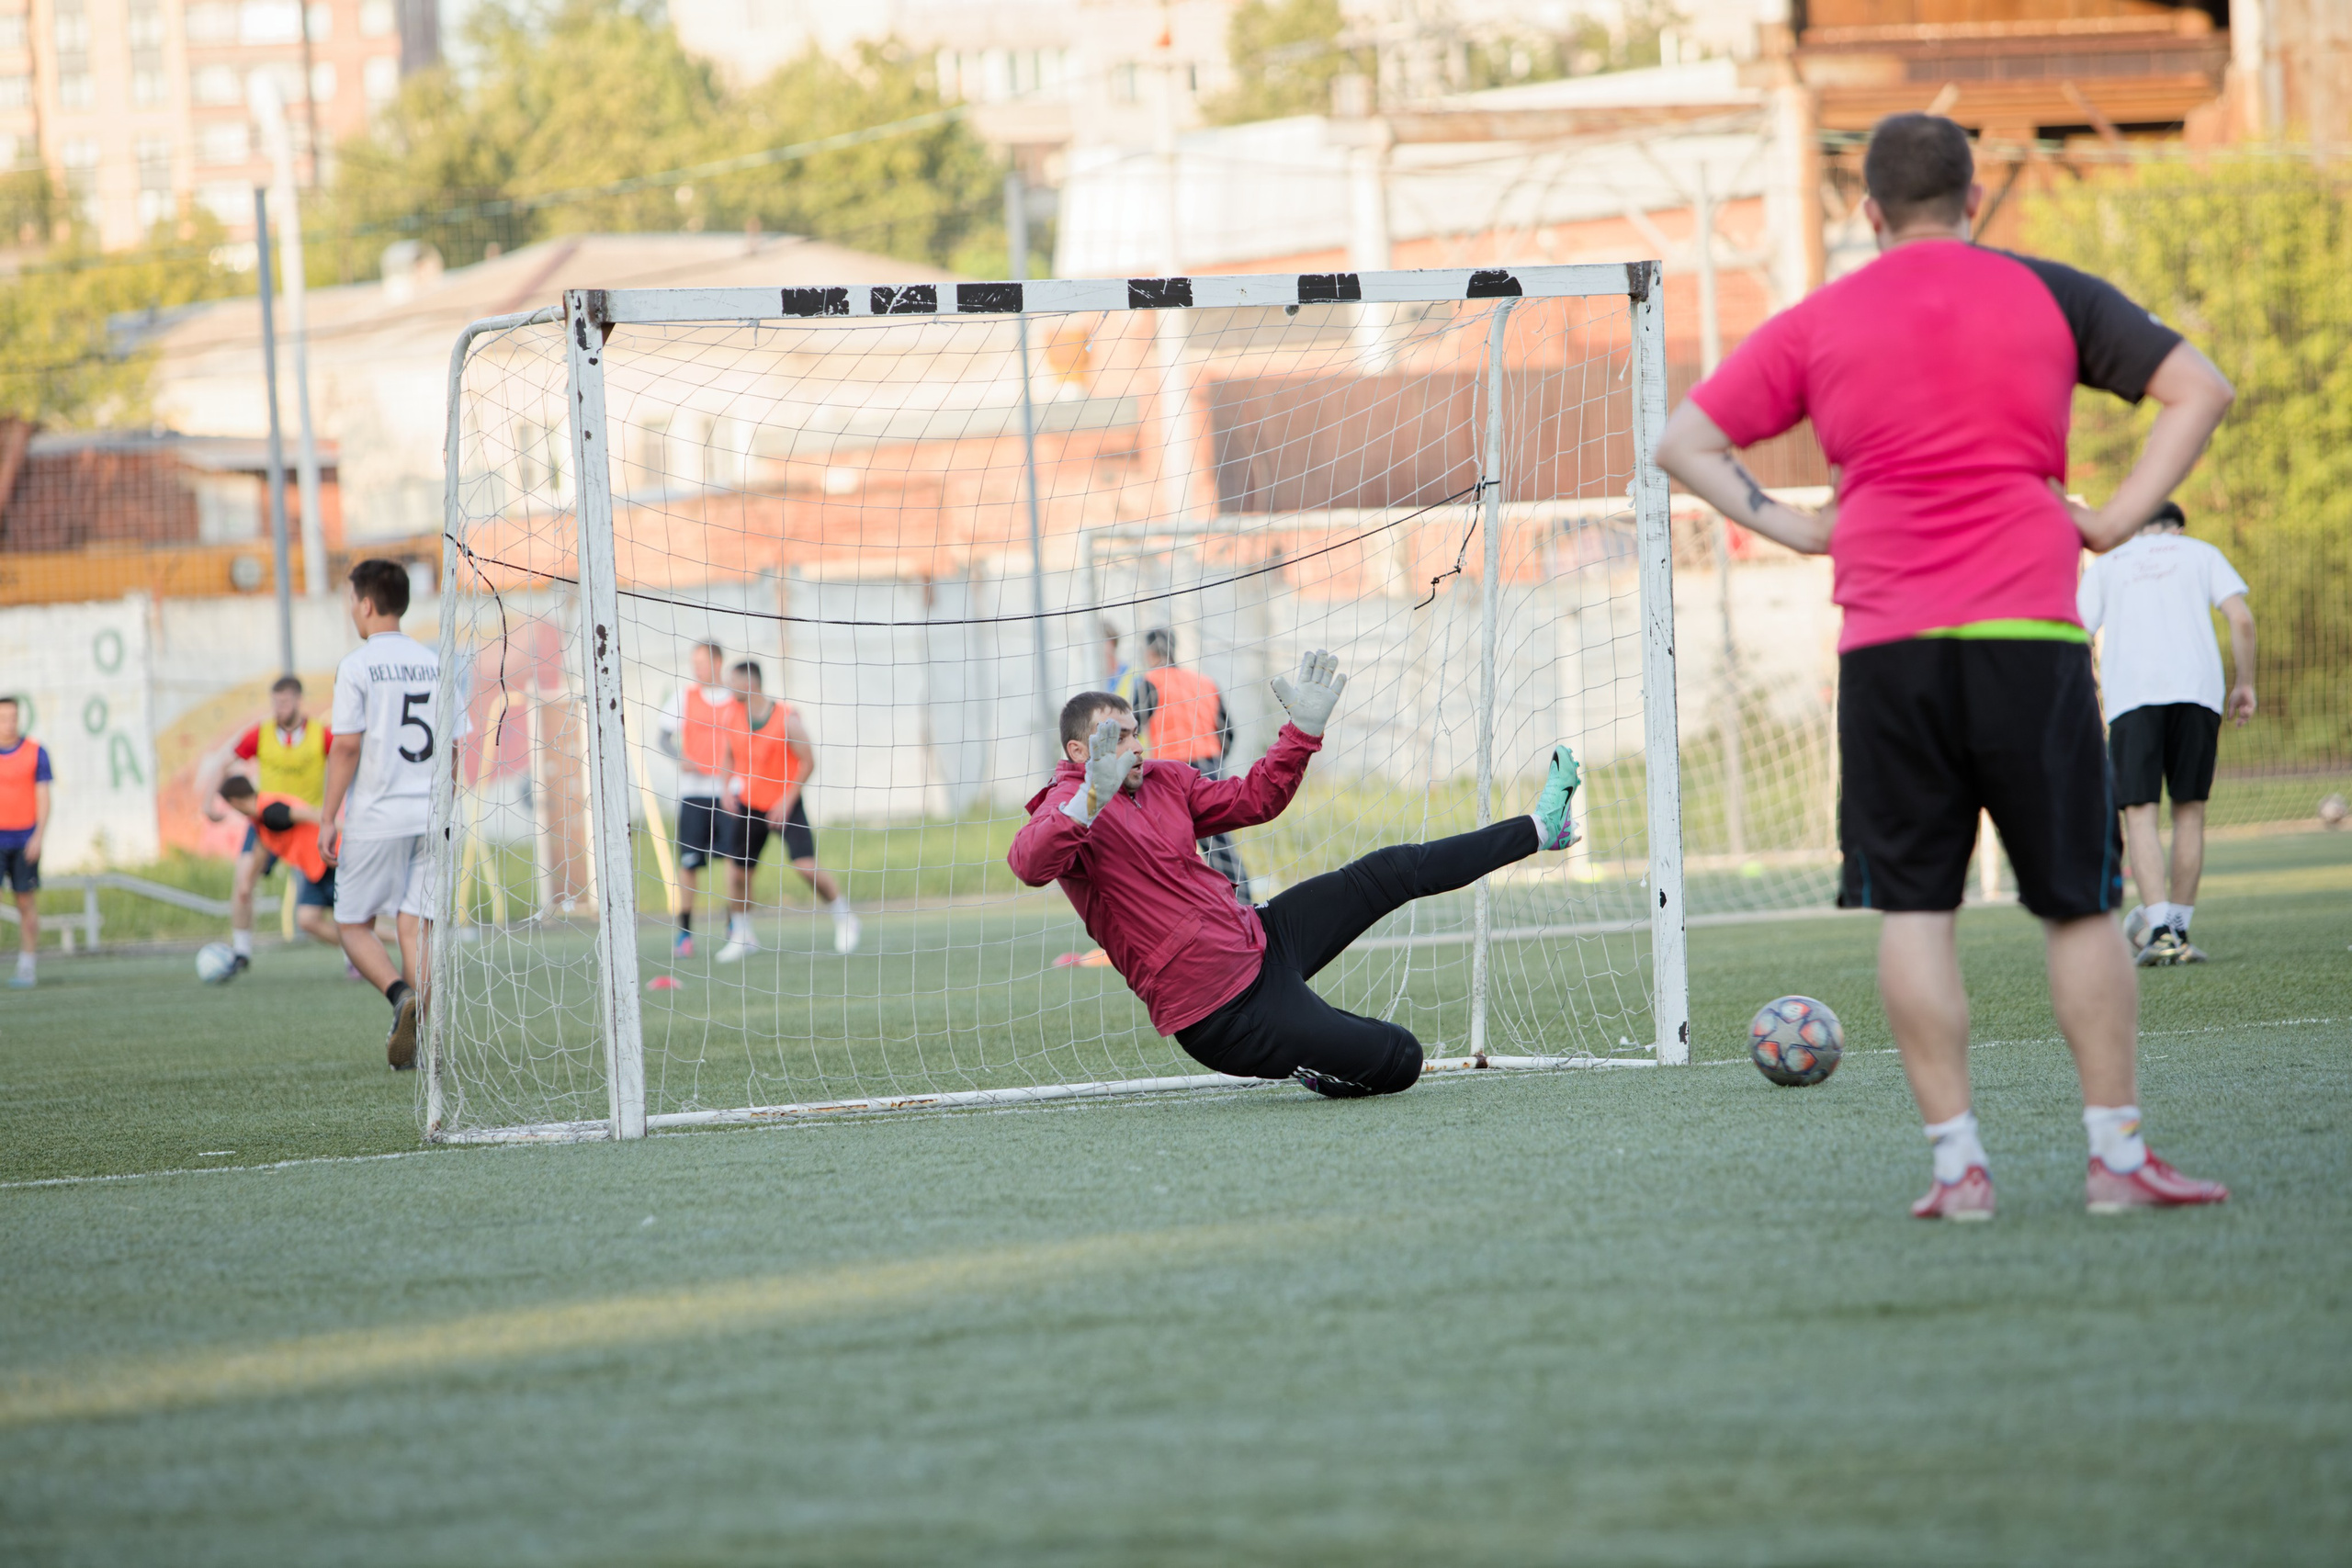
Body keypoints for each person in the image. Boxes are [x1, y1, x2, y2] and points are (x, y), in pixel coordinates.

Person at [1653, 112, 2236, 1219]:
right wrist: (2109, 520)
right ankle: (2115, 1160)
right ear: (1974, 201)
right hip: (2029, 640)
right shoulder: (2050, 292)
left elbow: (1682, 439)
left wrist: (1795, 527)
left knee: (1914, 910)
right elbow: (2198, 387)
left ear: (1867, 215)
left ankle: (1957, 1169)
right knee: (2076, 905)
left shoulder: (1819, 317)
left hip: (1886, 649)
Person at [1010, 651, 1584, 1097]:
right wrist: (1089, 797)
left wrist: (1301, 734)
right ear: (1080, 751)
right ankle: (1310, 1059)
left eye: (1136, 732)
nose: (1135, 748)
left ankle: (1538, 828)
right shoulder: (1065, 806)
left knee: (1391, 868)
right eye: (1119, 739)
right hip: (1224, 1012)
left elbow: (1255, 799)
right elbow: (1029, 864)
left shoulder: (1164, 779)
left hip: (1260, 940)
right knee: (1401, 1056)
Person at [2077, 501, 2256, 967]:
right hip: (2197, 693)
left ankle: (2158, 932)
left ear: (2135, 528)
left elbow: (2077, 635)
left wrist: (2084, 698)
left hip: (2132, 697)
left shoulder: (2110, 564)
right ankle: (2179, 929)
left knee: (2139, 813)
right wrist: (2245, 683)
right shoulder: (2201, 553)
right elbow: (2241, 618)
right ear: (2177, 528)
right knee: (2189, 813)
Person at [320, 559, 442, 1070]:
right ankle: (430, 1038)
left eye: (351, 600)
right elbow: (456, 744)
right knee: (416, 926)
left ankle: (398, 995)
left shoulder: (357, 665)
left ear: (366, 604)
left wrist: (329, 817)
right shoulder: (436, 661)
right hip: (434, 813)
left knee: (352, 924)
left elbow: (347, 746)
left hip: (377, 815)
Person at [716, 660, 859, 961]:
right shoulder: (731, 714)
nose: (727, 686)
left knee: (805, 867)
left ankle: (844, 917)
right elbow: (728, 755)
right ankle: (742, 935)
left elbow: (809, 762)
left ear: (750, 682)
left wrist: (787, 800)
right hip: (749, 804)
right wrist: (725, 786)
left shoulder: (786, 718)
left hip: (785, 803)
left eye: (733, 681)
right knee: (738, 872)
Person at [199, 674, 331, 976]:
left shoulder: (321, 734)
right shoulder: (261, 734)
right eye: (275, 701)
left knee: (334, 898)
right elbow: (224, 763)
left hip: (306, 826)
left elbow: (347, 759)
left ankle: (355, 954)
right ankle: (241, 953)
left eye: (285, 700)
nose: (279, 707)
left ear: (298, 699)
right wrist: (209, 804)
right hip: (267, 823)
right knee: (243, 884)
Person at [1131, 626, 1250, 901]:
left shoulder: (1150, 681)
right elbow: (1228, 731)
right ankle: (1243, 901)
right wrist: (1214, 761)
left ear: (1150, 652)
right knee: (1220, 845)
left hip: (1173, 774)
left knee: (1169, 844)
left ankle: (1180, 902)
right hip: (1210, 769)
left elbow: (1132, 727)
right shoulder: (1204, 682)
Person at [655, 641, 745, 959]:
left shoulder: (737, 698)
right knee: (689, 863)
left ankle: (736, 927)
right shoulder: (685, 696)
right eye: (693, 662)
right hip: (693, 792)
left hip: (729, 791)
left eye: (702, 661)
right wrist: (679, 757)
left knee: (735, 862)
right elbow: (663, 737)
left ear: (718, 662)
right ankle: (685, 933)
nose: (697, 668)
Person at [215, 775, 338, 951]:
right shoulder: (260, 817)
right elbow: (261, 849)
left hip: (330, 859)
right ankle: (358, 951)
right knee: (307, 919)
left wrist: (346, 829)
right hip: (316, 868)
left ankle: (370, 946)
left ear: (234, 802)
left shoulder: (272, 811)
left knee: (352, 923)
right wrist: (246, 884)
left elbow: (313, 814)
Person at [0, 695, 51, 990]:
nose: (9, 724)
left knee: (26, 902)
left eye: (13, 717)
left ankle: (27, 965)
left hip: (24, 839)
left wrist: (39, 836)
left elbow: (44, 797)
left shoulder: (35, 752)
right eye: (3, 718)